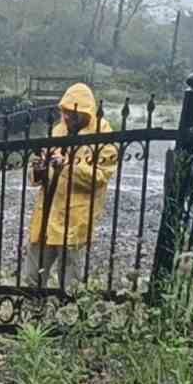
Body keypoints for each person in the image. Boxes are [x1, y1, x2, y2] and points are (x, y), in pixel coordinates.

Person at [26, 82, 117, 294]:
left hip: (74, 218)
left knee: (70, 279)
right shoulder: (58, 130)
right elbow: (39, 176)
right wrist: (39, 169)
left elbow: (100, 177)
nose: (66, 117)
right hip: (46, 212)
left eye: (72, 113)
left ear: (86, 113)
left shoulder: (103, 136)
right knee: (32, 274)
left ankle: (68, 318)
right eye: (64, 112)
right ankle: (33, 311)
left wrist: (66, 166)